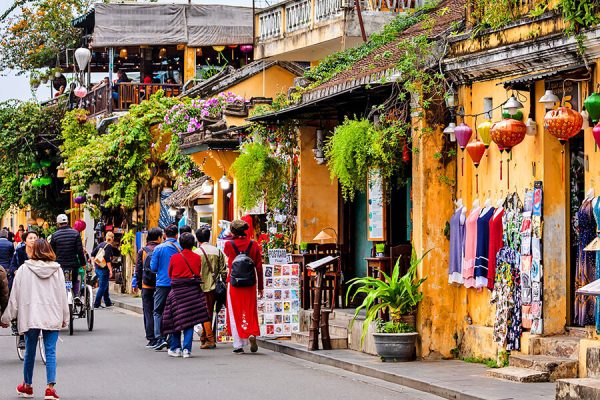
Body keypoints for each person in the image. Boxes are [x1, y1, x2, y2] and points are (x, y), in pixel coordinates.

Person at [1, 239, 69, 400]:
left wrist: (7, 317)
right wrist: (65, 317)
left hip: (31, 314)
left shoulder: (24, 269)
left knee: (30, 351)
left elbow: (15, 296)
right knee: (50, 351)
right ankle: (50, 389)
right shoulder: (57, 270)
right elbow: (62, 295)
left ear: (33, 251)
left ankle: (27, 386)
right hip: (52, 314)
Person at [161, 232, 210, 358]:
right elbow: (197, 272)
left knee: (175, 320)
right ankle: (187, 350)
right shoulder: (197, 257)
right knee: (190, 320)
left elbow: (170, 274)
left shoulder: (175, 257)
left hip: (177, 292)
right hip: (193, 291)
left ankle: (175, 348)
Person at [224, 219, 263, 354]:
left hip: (234, 283)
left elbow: (228, 256)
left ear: (233, 231)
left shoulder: (229, 244)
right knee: (250, 310)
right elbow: (259, 267)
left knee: (235, 312)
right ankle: (251, 333)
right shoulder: (254, 244)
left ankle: (238, 344)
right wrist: (261, 287)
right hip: (250, 283)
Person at [194, 225, 226, 349]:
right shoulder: (218, 251)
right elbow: (223, 270)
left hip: (200, 287)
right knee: (210, 312)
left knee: (203, 313)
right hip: (214, 287)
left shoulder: (196, 253)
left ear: (198, 238)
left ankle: (209, 338)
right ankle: (206, 337)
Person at [149, 224, 180, 351]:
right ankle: (172, 338)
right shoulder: (180, 247)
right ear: (177, 235)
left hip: (162, 283)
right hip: (177, 284)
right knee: (175, 311)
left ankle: (160, 338)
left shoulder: (158, 249)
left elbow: (153, 268)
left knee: (158, 311)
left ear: (164, 236)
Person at [135, 227, 163, 348]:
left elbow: (138, 269)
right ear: (158, 238)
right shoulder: (161, 249)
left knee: (148, 312)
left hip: (146, 285)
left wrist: (140, 284)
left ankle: (151, 338)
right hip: (159, 285)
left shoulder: (142, 250)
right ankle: (160, 336)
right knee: (159, 311)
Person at [50, 214, 86, 300]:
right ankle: (76, 295)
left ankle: (61, 298)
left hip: (60, 265)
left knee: (61, 282)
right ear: (67, 222)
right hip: (73, 264)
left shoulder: (55, 235)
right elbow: (80, 251)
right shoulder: (75, 233)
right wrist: (83, 263)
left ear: (58, 223)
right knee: (74, 280)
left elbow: (51, 252)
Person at [91, 232, 115, 309]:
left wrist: (93, 264)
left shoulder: (100, 244)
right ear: (112, 238)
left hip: (98, 268)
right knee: (102, 287)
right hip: (103, 269)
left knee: (105, 285)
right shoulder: (108, 247)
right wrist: (110, 270)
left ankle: (107, 302)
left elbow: (92, 254)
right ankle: (96, 303)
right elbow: (107, 259)